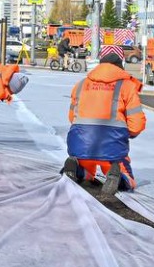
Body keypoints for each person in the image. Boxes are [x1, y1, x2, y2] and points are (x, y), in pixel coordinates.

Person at [62, 45, 146, 195]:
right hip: (112, 146)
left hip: (80, 143)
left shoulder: (80, 85)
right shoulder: (126, 86)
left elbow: (71, 117)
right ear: (120, 68)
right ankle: (117, 176)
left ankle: (77, 169)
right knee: (126, 176)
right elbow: (137, 124)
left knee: (87, 171)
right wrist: (129, 133)